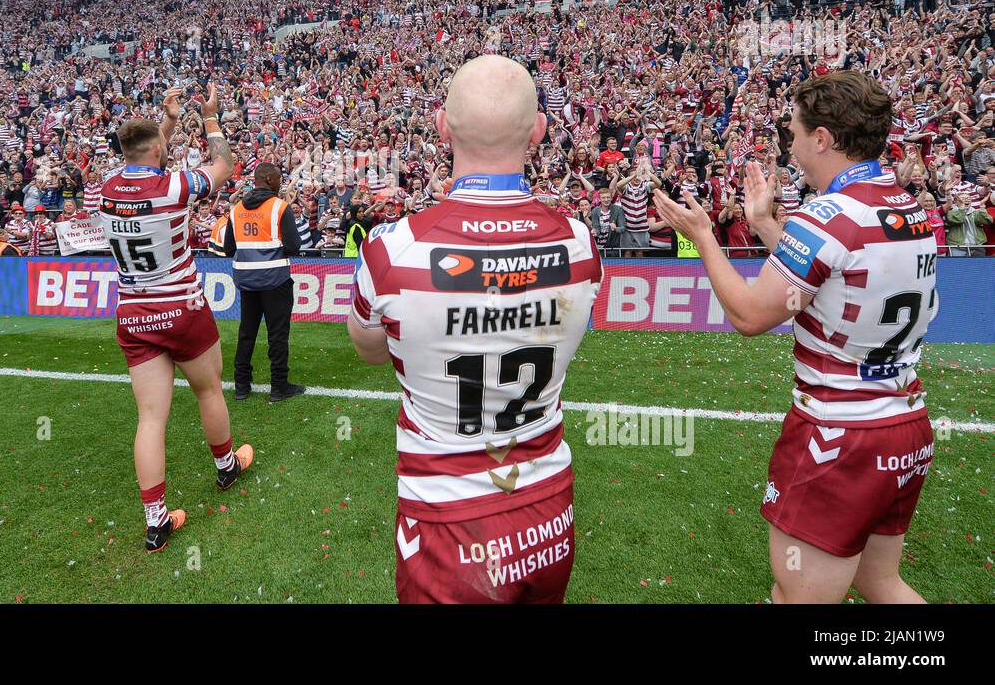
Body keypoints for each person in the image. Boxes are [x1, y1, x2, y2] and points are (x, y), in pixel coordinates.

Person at [654, 70, 939, 604]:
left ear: (823, 138)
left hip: (838, 432)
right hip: (903, 423)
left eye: (794, 132)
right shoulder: (908, 207)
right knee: (882, 583)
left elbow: (750, 315)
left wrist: (703, 239)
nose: (791, 144)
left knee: (796, 596)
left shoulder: (825, 216)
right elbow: (830, 275)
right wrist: (765, 227)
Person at [347, 55, 603, 604]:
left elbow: (369, 349)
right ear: (538, 131)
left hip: (446, 519)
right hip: (547, 512)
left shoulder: (392, 251)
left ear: (442, 125)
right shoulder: (580, 245)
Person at [98, 83, 253, 552]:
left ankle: (155, 520)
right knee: (208, 388)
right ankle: (226, 468)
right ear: (161, 149)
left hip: (134, 313)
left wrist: (163, 124)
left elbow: (143, 159)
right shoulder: (172, 186)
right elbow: (223, 166)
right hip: (181, 307)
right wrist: (209, 117)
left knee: (150, 418)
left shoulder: (105, 189)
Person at [221, 162, 305, 401]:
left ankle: (241, 387)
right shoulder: (280, 207)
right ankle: (279, 387)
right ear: (268, 180)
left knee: (247, 332)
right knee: (277, 334)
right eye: (278, 178)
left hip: (246, 279)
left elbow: (228, 249)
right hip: (275, 279)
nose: (281, 182)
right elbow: (294, 247)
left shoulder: (237, 209)